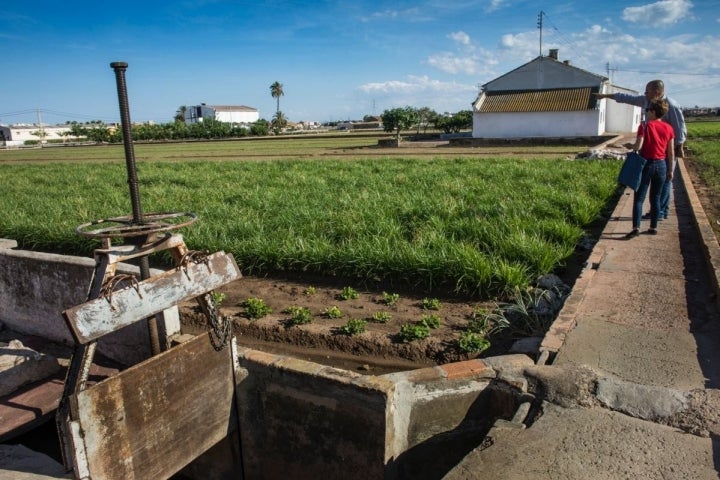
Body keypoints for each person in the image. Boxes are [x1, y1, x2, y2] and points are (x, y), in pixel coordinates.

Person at [594, 80, 686, 219]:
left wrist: (678, 147)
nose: (645, 93)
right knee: (658, 183)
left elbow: (679, 130)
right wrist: (606, 96)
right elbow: (626, 98)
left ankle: (660, 212)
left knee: (666, 180)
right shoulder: (647, 101)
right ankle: (658, 212)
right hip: (652, 150)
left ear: (656, 92)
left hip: (666, 150)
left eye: (647, 90)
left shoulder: (671, 105)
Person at [624, 100, 675, 238]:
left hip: (646, 164)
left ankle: (636, 228)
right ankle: (653, 227)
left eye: (648, 110)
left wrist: (630, 145)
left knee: (639, 198)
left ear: (653, 111)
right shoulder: (669, 128)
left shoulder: (644, 126)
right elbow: (670, 152)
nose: (646, 113)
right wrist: (670, 170)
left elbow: (638, 146)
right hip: (662, 165)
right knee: (656, 197)